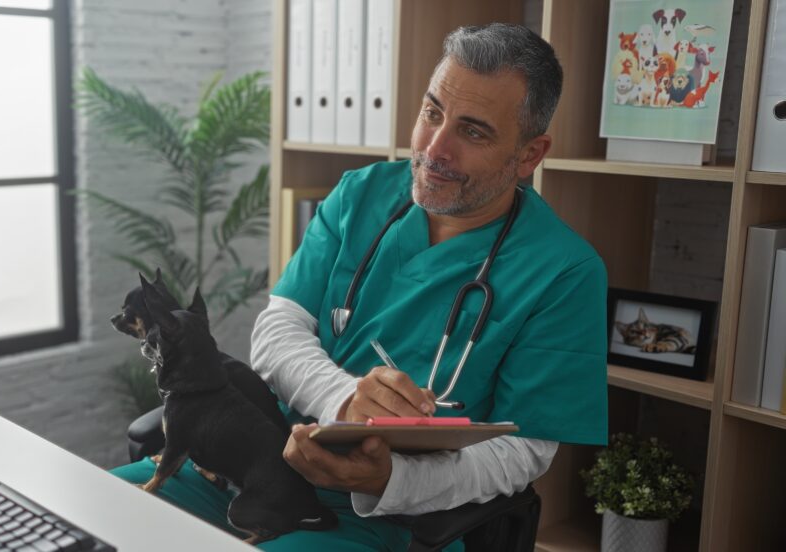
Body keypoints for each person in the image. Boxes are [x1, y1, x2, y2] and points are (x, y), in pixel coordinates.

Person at [113, 23, 608, 551]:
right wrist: (345, 400)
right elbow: (278, 330)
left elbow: (522, 453)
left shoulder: (564, 271)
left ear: (530, 155)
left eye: (474, 132)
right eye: (432, 113)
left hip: (388, 520)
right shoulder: (361, 193)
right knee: (78, 517)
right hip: (252, 465)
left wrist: (389, 481)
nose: (434, 149)